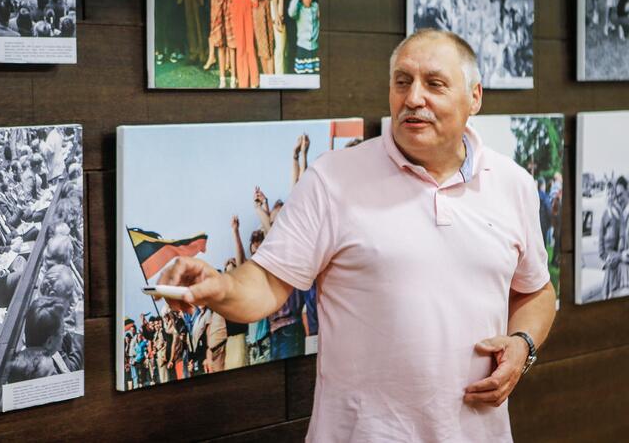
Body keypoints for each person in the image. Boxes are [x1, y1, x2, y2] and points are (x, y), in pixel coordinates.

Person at [159, 29, 556, 441]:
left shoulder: (513, 184)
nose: (413, 98)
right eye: (402, 82)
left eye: (434, 84)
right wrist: (220, 286)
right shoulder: (332, 180)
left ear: (474, 97)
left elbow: (536, 292)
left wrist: (523, 343)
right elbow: (266, 283)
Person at [287, 0, 319, 74]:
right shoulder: (299, 10)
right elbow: (290, 12)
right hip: (302, 49)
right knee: (302, 76)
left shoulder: (316, 7)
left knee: (314, 75)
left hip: (314, 49)